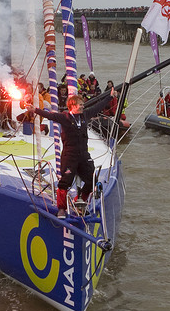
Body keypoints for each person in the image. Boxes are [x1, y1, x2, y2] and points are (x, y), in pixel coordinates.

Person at [34, 89, 117, 217]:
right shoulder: (64, 117)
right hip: (70, 155)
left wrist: (110, 97)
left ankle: (80, 200)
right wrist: (34, 110)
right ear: (73, 106)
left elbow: (97, 107)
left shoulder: (85, 115)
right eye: (81, 105)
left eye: (83, 104)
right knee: (65, 182)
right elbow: (49, 115)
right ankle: (61, 208)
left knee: (92, 180)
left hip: (83, 154)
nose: (83, 106)